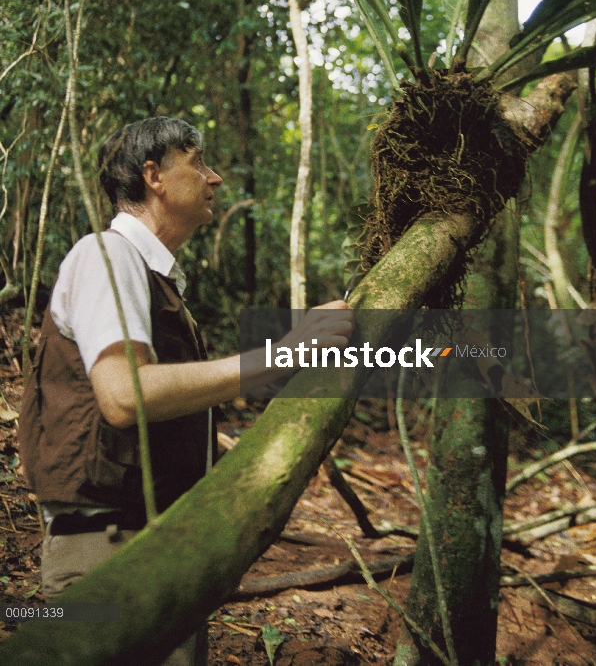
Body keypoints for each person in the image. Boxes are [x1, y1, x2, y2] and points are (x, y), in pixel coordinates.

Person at [18, 116, 353, 665]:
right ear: (153, 175)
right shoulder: (108, 255)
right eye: (197, 162)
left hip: (151, 552)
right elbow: (123, 396)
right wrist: (284, 354)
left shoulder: (153, 279)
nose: (214, 178)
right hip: (105, 560)